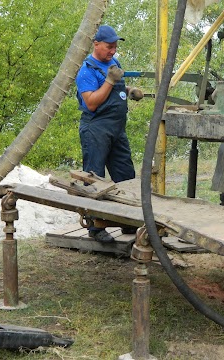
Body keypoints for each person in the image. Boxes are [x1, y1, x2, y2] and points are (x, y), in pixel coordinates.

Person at [75, 25, 143, 243]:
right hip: (96, 129)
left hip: (116, 129)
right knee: (94, 178)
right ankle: (95, 227)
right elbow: (92, 103)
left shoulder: (113, 62)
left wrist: (129, 90)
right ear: (96, 44)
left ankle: (127, 221)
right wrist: (110, 81)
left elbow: (116, 86)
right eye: (109, 47)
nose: (113, 51)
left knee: (126, 175)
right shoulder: (86, 70)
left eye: (115, 47)